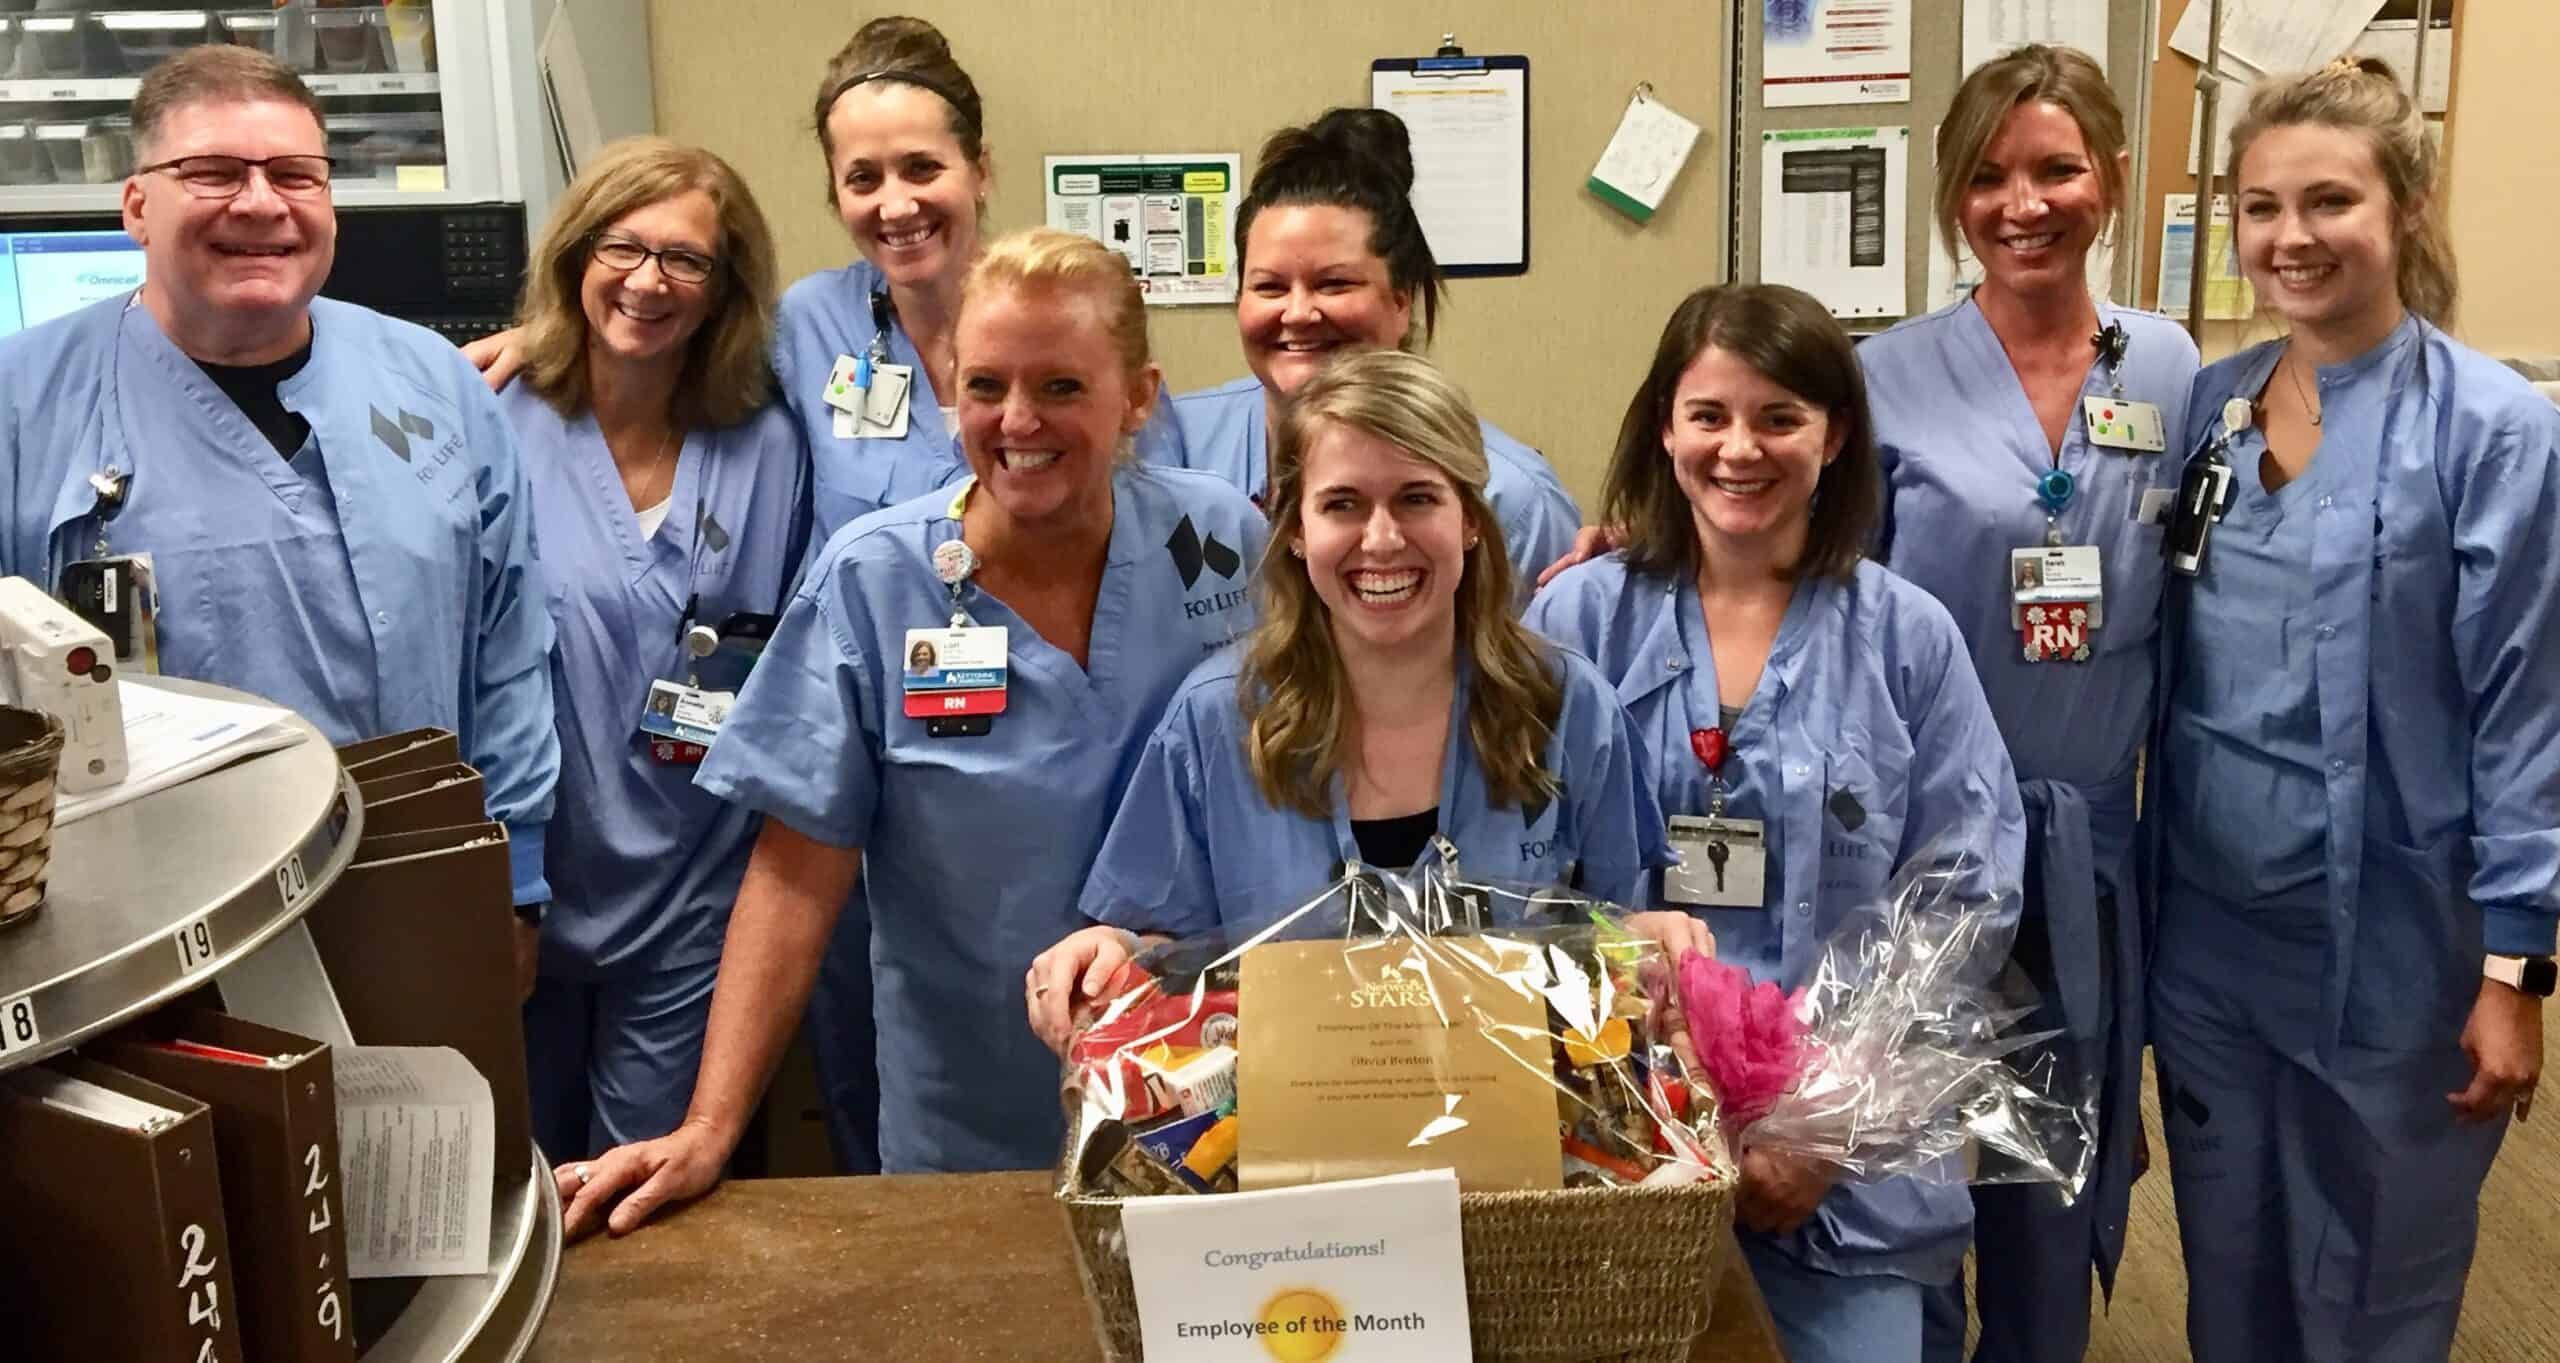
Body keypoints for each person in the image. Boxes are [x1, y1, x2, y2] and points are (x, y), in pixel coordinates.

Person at [549, 229, 1265, 1239]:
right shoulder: (877, 578)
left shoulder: (1222, 545)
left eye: (1062, 386)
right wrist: (710, 1124)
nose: (1018, 422)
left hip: (1204, 1089)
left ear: (1138, 396)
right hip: (967, 1113)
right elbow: (799, 866)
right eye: (986, 386)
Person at [469, 14, 993, 1176]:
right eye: (863, 176)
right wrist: (527, 341)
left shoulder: (1037, 316)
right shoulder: (813, 331)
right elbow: (622, 342)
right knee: (857, 1091)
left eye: (922, 167)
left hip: (977, 783)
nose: (895, 200)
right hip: (806, 810)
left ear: (978, 170)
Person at [1527, 283, 2024, 1363]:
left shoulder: (1907, 637)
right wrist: (1643, 1094)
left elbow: (1963, 894)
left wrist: (1821, 1128)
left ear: (1835, 433)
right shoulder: (1576, 619)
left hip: (1838, 1168)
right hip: (1617, 1136)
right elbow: (1512, 869)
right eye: (1707, 415)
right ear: (1664, 426)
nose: (1737, 448)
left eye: (1777, 417)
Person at [2147, 56, 2556, 1363]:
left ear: (2407, 209)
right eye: (2261, 207)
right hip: (2210, 936)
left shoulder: (2492, 428)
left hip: (2394, 944)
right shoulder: (2214, 409)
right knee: (2231, 1258)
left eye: (2330, 200)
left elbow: (2525, 709)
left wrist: (2518, 967)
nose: (2292, 237)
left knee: (2377, 1278)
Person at [0, 47, 557, 975]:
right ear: (137, 205)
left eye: (296, 174)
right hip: (133, 930)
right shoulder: (22, 403)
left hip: (422, 888)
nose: (261, 203)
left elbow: (510, 647)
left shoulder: (433, 382)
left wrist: (518, 878)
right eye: (213, 172)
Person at [1855, 45, 2201, 1363]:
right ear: (1954, 194)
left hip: (2083, 859)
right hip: (1925, 854)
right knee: (1920, 1174)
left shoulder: (2171, 371)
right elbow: (1816, 579)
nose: (2024, 203)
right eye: (1990, 175)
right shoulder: (1889, 374)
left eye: (2056, 168)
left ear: (2110, 179)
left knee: (2049, 1183)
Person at [1027, 350, 1676, 1035]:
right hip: (1277, 1133)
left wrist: (1654, 941)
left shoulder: (1565, 706)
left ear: (1472, 519)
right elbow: (1165, 952)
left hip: (1529, 1135)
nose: (1383, 539)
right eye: (1342, 504)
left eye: (1418, 497)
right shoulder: (1219, 718)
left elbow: (1612, 935)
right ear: (1298, 532)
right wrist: (1111, 957)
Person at [501, 137, 812, 1162]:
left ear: (723, 286)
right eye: (621, 246)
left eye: (684, 259)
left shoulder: (766, 439)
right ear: (574, 254)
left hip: (694, 888)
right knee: (519, 1186)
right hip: (526, 886)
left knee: (647, 1194)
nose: (647, 281)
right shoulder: (491, 417)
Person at [1140, 108, 1580, 601]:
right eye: (1269, 286)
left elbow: (1548, 670)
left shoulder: (1513, 500)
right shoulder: (1172, 448)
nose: (1299, 313)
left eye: (1335, 284)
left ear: (1400, 301)